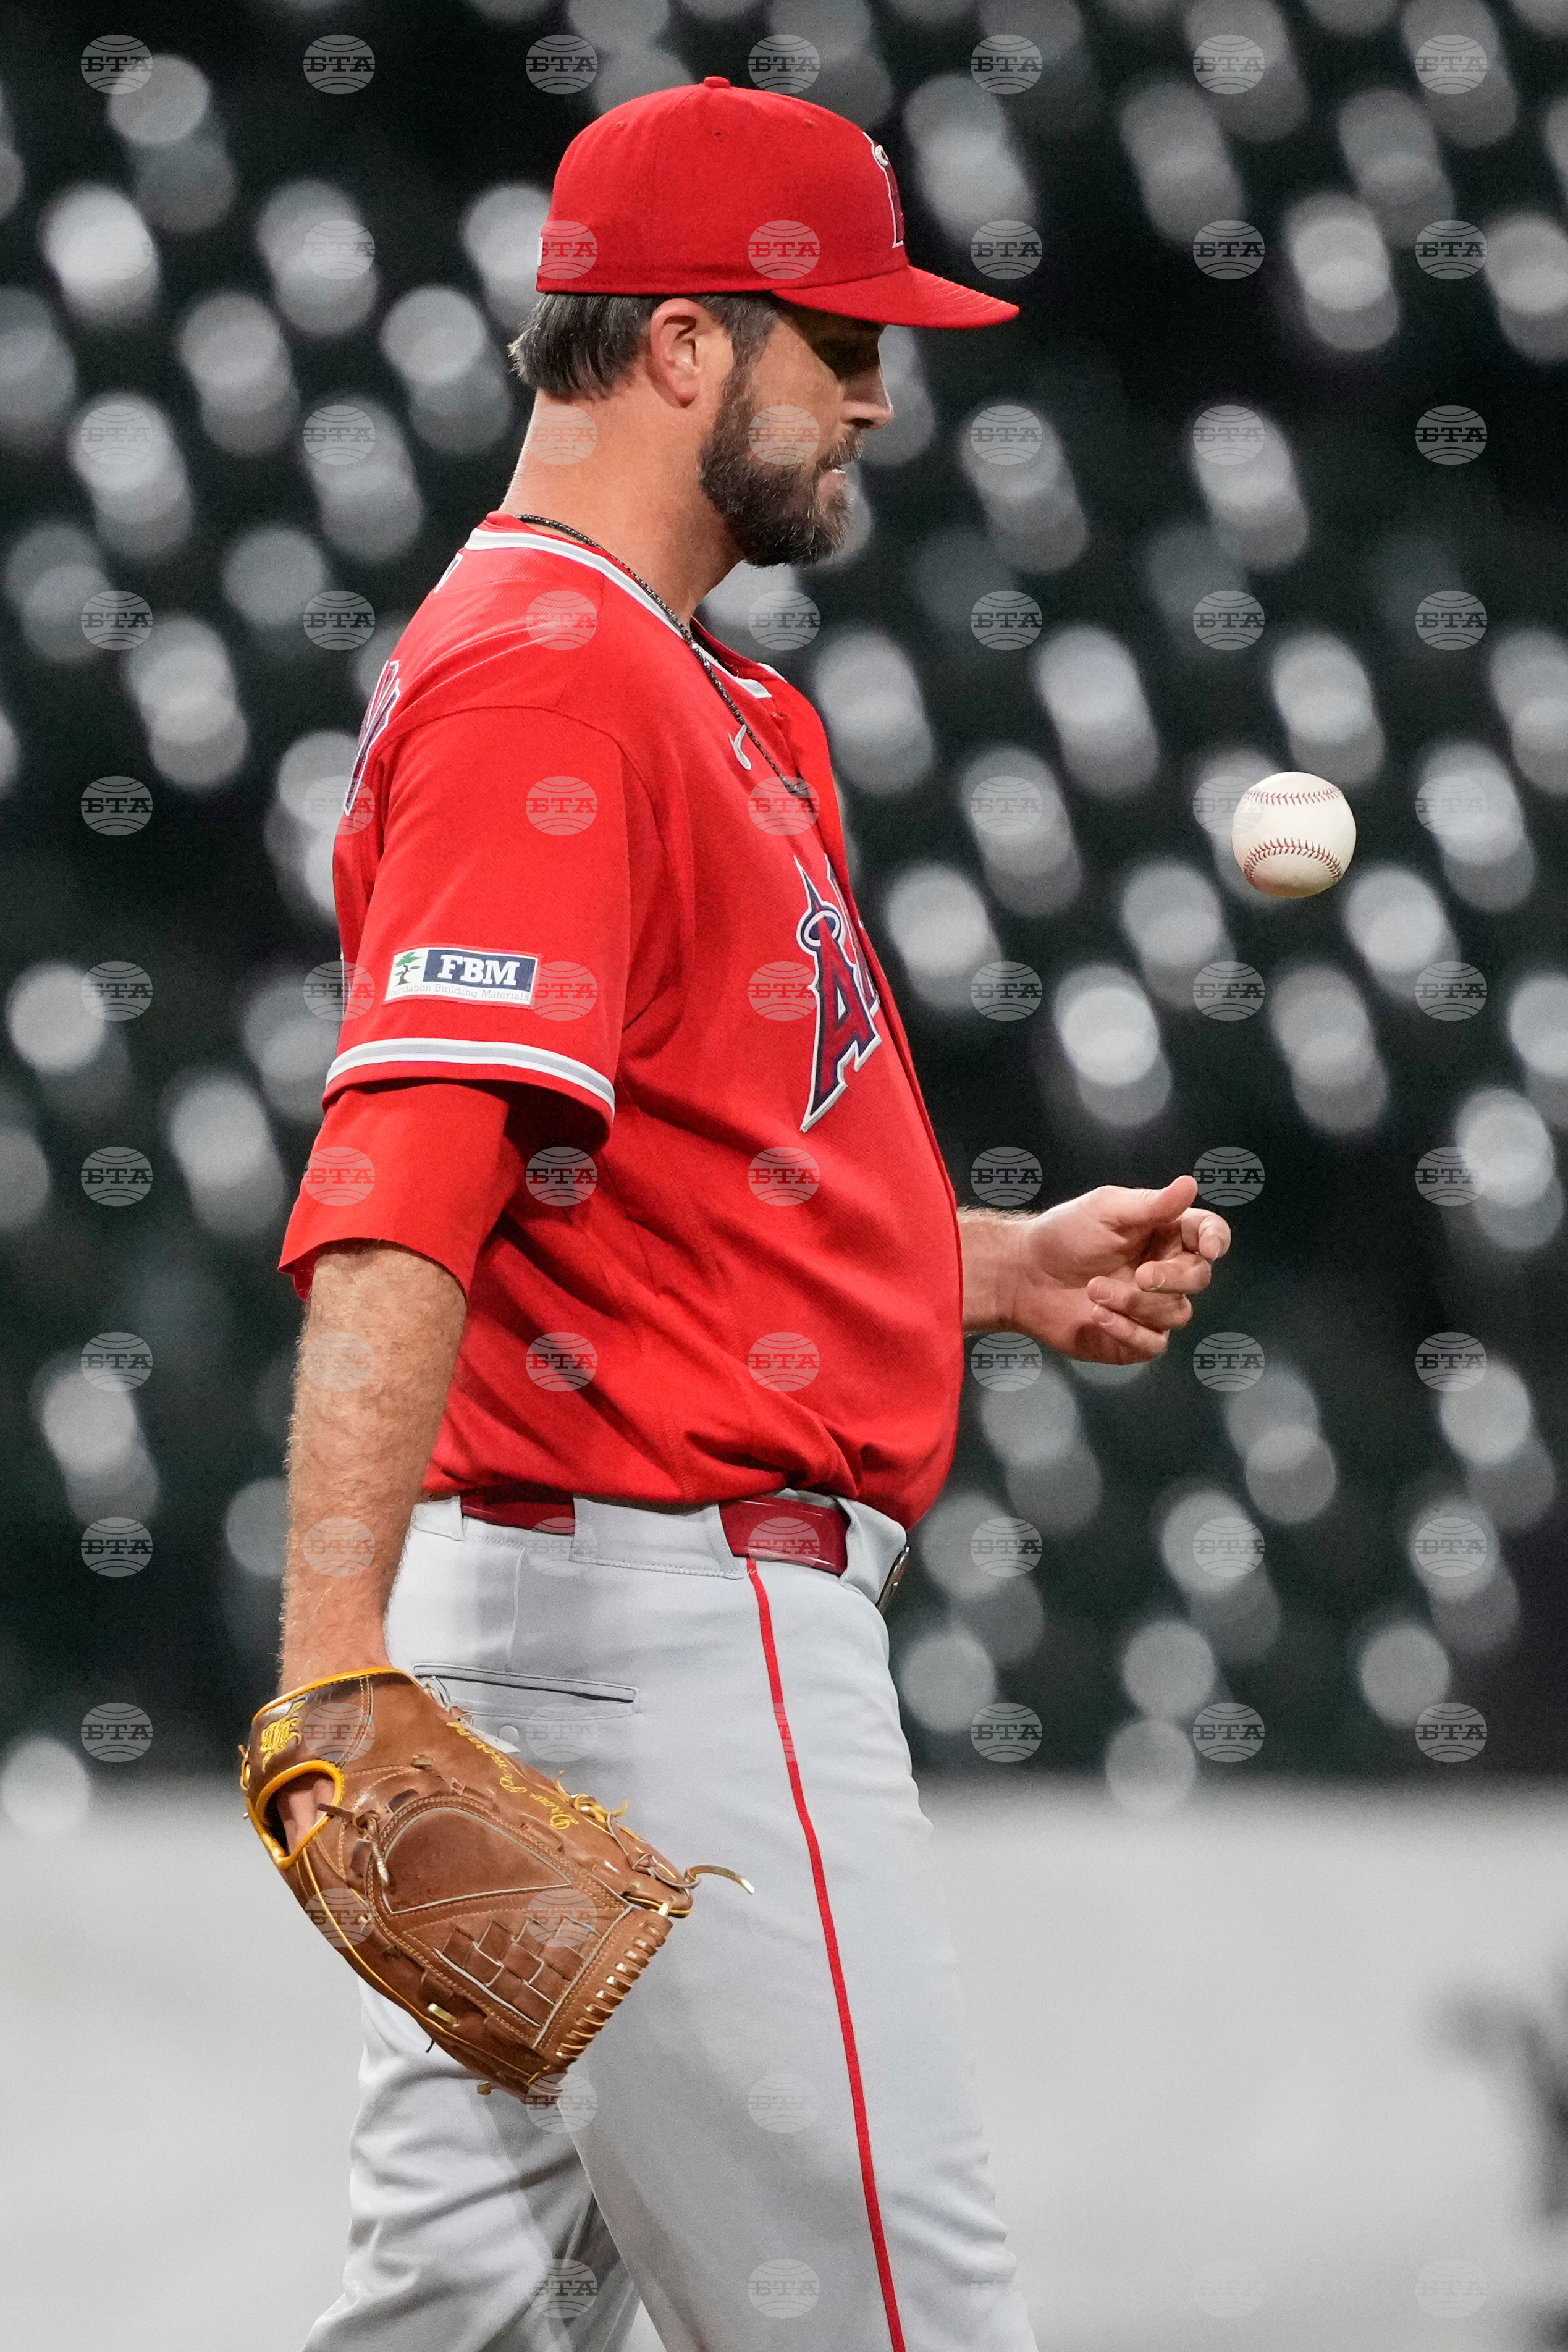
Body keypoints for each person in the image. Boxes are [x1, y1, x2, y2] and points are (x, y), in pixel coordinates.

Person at [271, 78, 1230, 2352]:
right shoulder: (552, 675)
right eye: (842, 342)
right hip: (669, 1642)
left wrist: (970, 1271)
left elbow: (652, 1170)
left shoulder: (685, 685)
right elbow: (412, 1180)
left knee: (465, 2332)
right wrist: (328, 1660)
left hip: (576, 1622)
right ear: (681, 344)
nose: (883, 394)